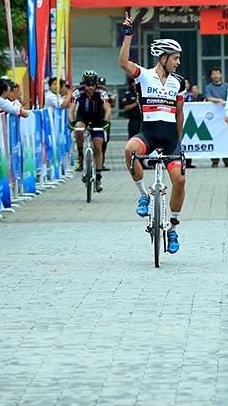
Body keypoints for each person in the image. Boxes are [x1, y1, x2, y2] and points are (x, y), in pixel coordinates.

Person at [118, 14, 186, 254]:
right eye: (175, 58)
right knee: (129, 151)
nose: (178, 62)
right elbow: (124, 62)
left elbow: (179, 114)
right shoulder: (144, 75)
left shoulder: (179, 83)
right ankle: (144, 195)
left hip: (170, 139)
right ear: (164, 57)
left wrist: (178, 142)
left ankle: (174, 228)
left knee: (179, 180)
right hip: (148, 134)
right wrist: (128, 35)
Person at [68, 70, 111, 191]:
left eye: (92, 85)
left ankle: (98, 177)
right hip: (83, 117)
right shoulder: (77, 92)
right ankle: (81, 155)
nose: (90, 88)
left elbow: (107, 109)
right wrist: (71, 122)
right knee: (79, 128)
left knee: (98, 147)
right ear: (84, 84)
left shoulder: (102, 92)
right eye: (88, 85)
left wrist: (106, 122)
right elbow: (71, 110)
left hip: (98, 119)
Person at [203, 66, 228, 168]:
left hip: (225, 117)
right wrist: (219, 101)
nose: (216, 76)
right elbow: (208, 97)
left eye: (217, 73)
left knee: (226, 137)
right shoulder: (209, 87)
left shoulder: (226, 86)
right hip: (214, 118)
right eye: (213, 74)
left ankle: (227, 158)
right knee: (214, 136)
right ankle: (215, 160)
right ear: (211, 76)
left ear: (221, 74)